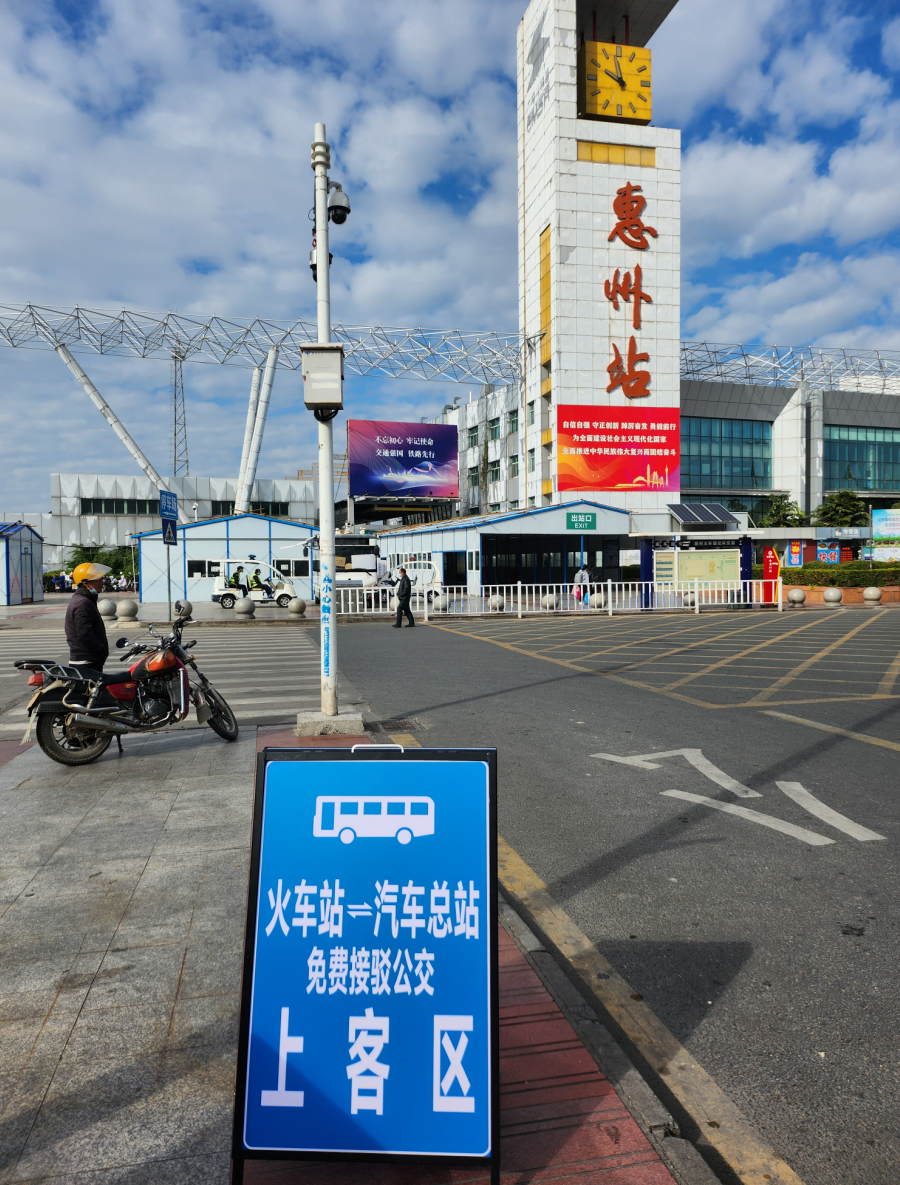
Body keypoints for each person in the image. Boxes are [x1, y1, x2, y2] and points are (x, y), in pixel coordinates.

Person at [64, 561, 112, 675]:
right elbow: (85, 634)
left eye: (101, 579)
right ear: (85, 583)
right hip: (85, 661)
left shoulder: (85, 600)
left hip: (88, 659)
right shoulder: (83, 603)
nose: (101, 582)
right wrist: (100, 650)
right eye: (97, 579)